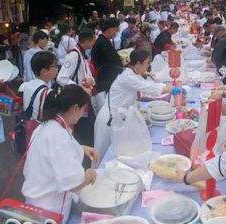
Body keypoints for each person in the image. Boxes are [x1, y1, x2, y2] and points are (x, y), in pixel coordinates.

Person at [22, 85, 99, 223]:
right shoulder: (58, 135)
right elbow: (74, 184)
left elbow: (55, 151)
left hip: (37, 200)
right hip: (49, 209)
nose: (83, 114)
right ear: (75, 108)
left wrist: (82, 149)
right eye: (83, 110)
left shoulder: (47, 125)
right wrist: (88, 174)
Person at [94, 50, 173, 159]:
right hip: (108, 119)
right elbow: (148, 88)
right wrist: (172, 88)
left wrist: (166, 86)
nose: (148, 65)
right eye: (147, 63)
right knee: (103, 154)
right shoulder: (128, 77)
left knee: (114, 152)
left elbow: (146, 83)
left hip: (116, 116)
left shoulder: (132, 73)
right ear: (138, 64)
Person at [22, 51, 58, 120]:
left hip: (29, 125)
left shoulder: (27, 85)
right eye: (55, 66)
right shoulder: (47, 93)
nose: (57, 69)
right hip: (41, 127)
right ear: (44, 71)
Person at [91, 18, 122, 93]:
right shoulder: (102, 43)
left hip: (108, 78)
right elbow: (106, 63)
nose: (117, 32)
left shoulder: (105, 41)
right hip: (106, 80)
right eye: (116, 29)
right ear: (110, 29)